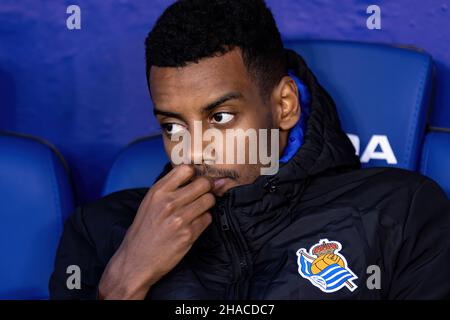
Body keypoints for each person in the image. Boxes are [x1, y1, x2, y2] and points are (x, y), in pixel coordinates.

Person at [49, 0, 450, 299]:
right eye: (172, 125)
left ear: (284, 105)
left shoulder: (398, 212)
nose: (193, 151)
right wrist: (122, 282)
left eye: (220, 118)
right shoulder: (100, 231)